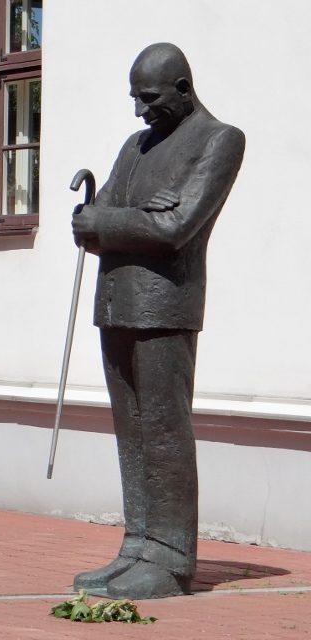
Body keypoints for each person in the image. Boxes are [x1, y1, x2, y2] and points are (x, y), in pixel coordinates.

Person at [70, 43, 244, 599]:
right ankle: (138, 546)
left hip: (166, 305)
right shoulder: (135, 145)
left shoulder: (219, 140)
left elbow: (176, 227)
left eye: (148, 99)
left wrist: (108, 221)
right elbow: (112, 225)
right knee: (132, 431)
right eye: (134, 100)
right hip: (116, 302)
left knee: (165, 431)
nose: (140, 112)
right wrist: (100, 220)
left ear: (183, 89)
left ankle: (170, 558)